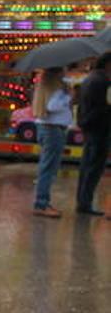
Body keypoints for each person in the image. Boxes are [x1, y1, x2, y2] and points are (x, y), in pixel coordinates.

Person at [30, 67, 73, 218]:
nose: (65, 73)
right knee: (48, 168)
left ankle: (43, 202)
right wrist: (68, 97)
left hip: (47, 128)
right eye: (62, 71)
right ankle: (41, 204)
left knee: (47, 167)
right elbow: (52, 106)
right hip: (53, 130)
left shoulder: (46, 88)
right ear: (57, 74)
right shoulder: (57, 90)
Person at [74, 52, 111, 217]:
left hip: (89, 126)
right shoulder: (103, 82)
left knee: (87, 166)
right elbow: (103, 107)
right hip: (100, 128)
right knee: (94, 168)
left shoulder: (89, 79)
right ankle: (85, 203)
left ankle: (82, 201)